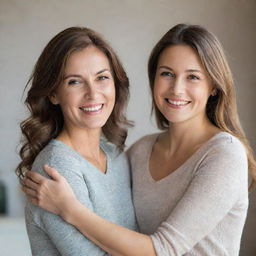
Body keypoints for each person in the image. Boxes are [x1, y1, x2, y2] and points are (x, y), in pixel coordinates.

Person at [22, 24, 256, 256]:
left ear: (214, 85)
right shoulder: (137, 153)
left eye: (193, 77)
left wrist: (70, 209)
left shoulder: (224, 154)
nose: (177, 89)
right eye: (167, 74)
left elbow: (162, 249)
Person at [17, 27, 137, 256]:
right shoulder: (56, 167)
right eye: (74, 82)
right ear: (53, 94)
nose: (93, 94)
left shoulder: (115, 155)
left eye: (102, 77)